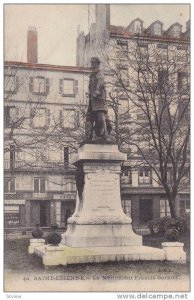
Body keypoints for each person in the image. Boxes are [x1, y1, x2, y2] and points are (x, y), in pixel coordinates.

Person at [85, 57, 112, 141]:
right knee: (89, 118)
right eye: (91, 62)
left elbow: (100, 83)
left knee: (100, 117)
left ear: (97, 64)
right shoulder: (92, 75)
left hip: (99, 100)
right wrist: (90, 94)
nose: (92, 64)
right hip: (92, 100)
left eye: (93, 63)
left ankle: (104, 136)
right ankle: (88, 138)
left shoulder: (99, 73)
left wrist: (97, 92)